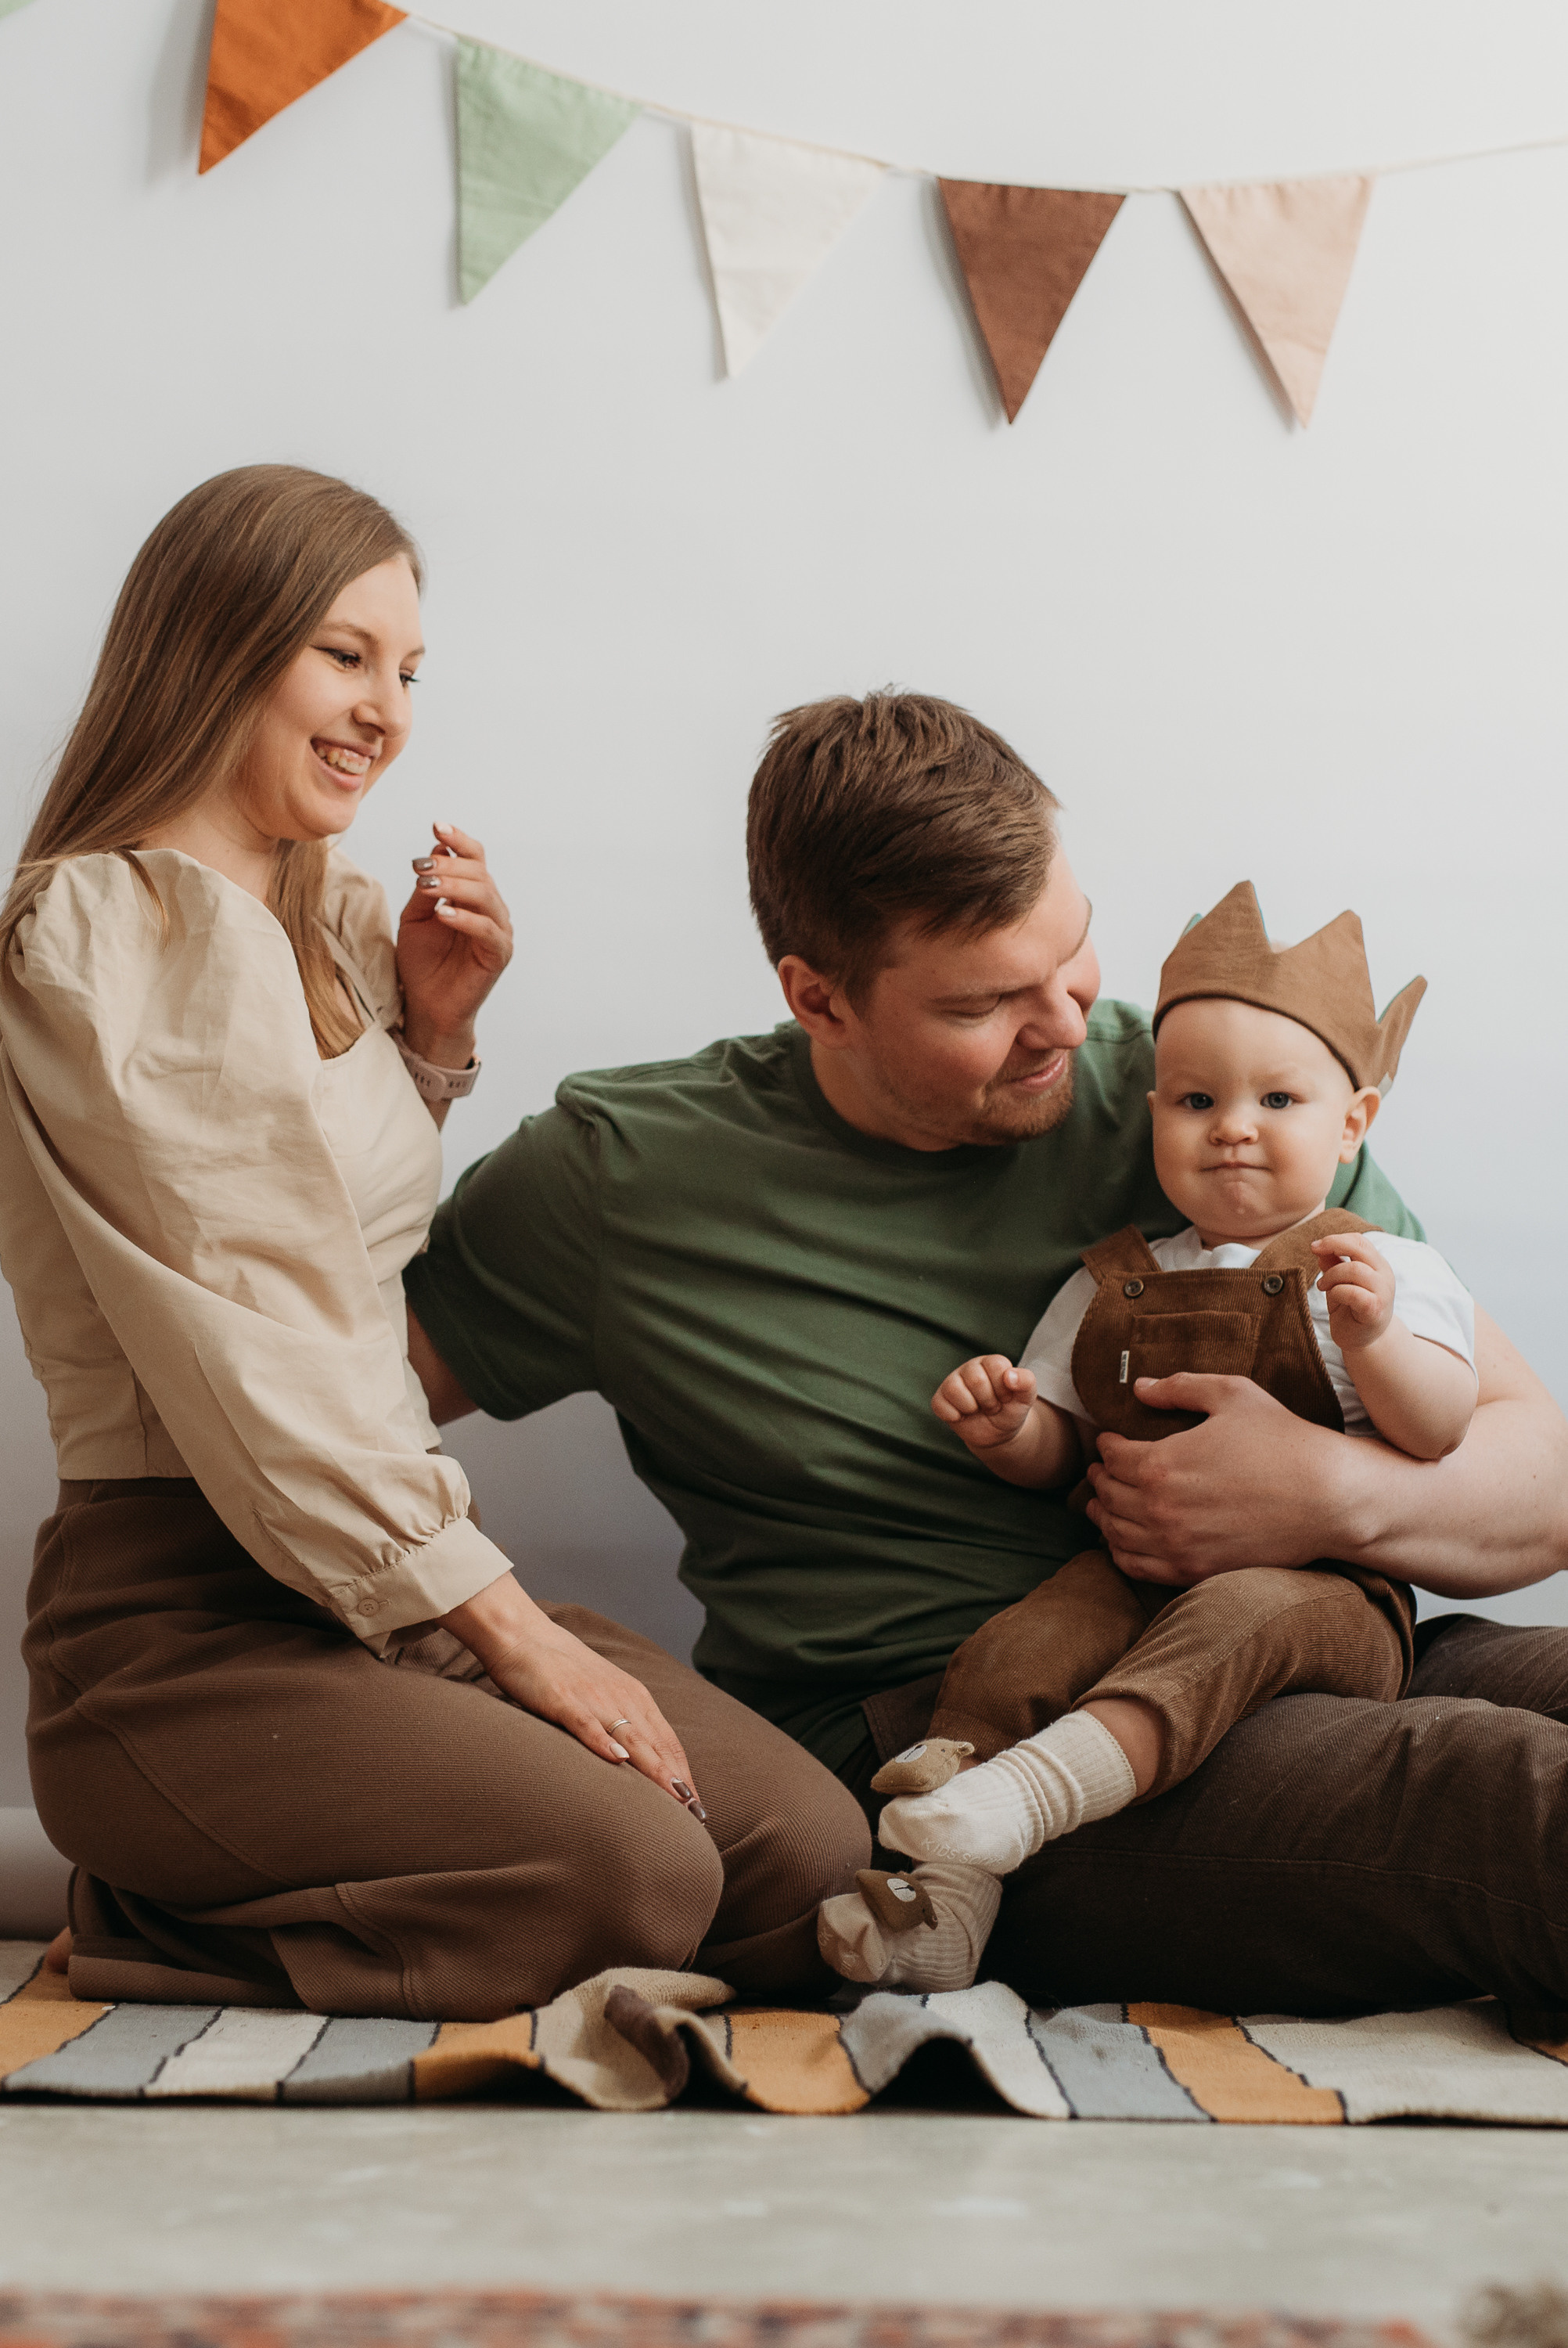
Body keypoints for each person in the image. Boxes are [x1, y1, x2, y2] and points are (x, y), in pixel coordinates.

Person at [407, 690, 1568, 2019]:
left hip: (1300, 1633)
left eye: (1070, 955)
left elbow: (1541, 1483)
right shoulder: (619, 1177)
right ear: (820, 998)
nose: (1067, 1025)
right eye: (987, 1003)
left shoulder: (1212, 1096)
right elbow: (327, 1408)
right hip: (966, 1752)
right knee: (1508, 1805)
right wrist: (491, 1634)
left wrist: (1330, 1495)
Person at [0, 466, 867, 2022]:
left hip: (372, 1582)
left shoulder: (333, 918)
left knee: (806, 1854)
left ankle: (335, 1864)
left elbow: (337, 1247)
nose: (384, 712)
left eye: (408, 671)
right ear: (215, 643)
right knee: (640, 1874)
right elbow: (268, 1337)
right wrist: (511, 1634)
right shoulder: (100, 931)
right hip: (182, 1621)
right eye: (345, 655)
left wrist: (435, 1042)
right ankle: (149, 1914)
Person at [817, 880, 1477, 1993]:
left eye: (1278, 1099)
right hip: (1131, 1573)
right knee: (1025, 1642)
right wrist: (1012, 1427)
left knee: (1240, 1615)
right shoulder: (1117, 1280)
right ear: (1154, 1112)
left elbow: (1443, 1427)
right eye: (1196, 1100)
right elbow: (1066, 1453)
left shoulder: (1381, 1270)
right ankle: (947, 1900)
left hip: (1324, 1594)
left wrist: (1374, 1342)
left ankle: (1032, 1796)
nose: (1233, 1126)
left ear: (1353, 1123)